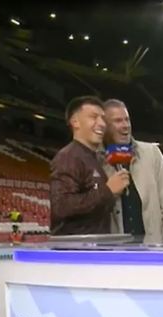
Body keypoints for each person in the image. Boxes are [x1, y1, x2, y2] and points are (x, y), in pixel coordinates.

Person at [49, 96, 129, 236]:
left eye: (103, 118)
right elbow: (61, 206)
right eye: (93, 117)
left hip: (92, 248)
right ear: (75, 122)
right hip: (76, 252)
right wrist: (108, 191)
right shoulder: (68, 157)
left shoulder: (94, 158)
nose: (101, 123)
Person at [101, 99, 163, 244]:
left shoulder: (152, 153)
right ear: (104, 126)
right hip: (117, 252)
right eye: (118, 121)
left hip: (151, 249)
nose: (125, 126)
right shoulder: (98, 159)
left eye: (127, 120)